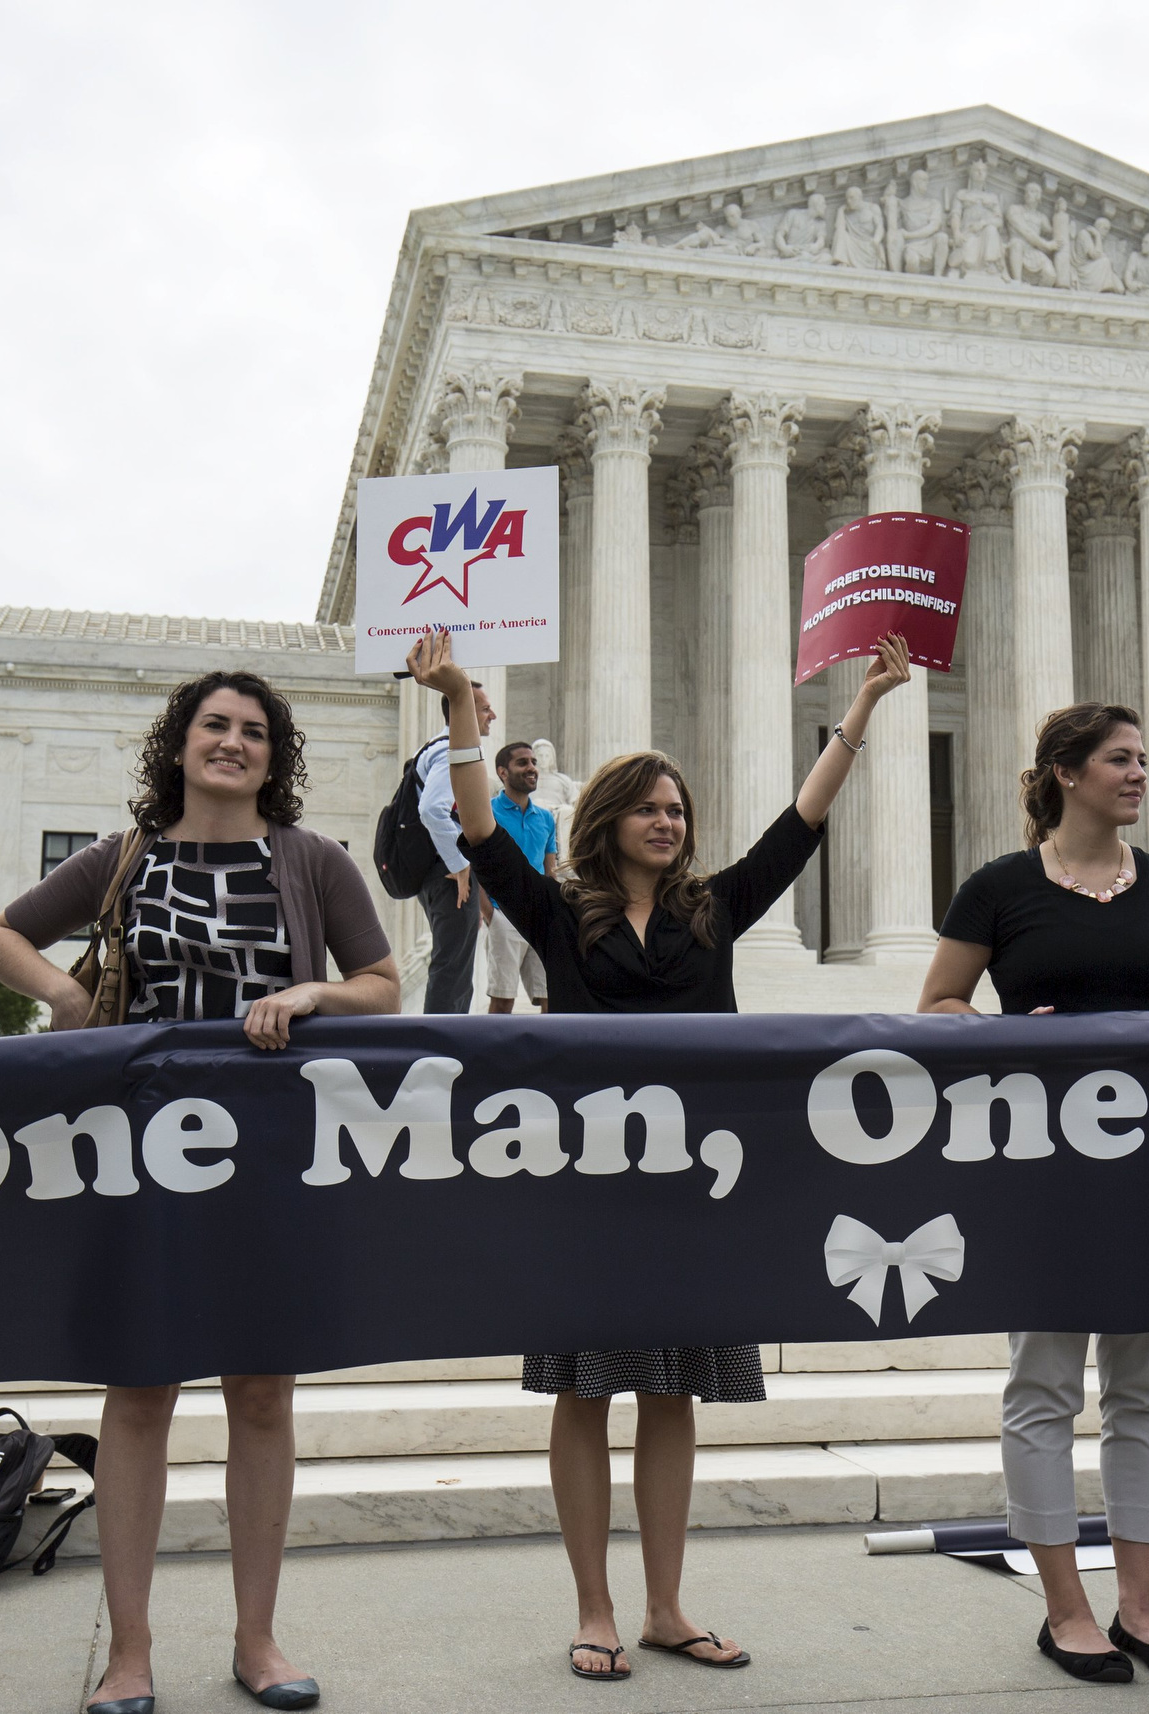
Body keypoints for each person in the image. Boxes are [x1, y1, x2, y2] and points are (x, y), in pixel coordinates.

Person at [407, 625, 908, 1683]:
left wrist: (859, 711)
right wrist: (457, 700)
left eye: (678, 810)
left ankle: (667, 1604)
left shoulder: (714, 912)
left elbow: (801, 824)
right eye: (650, 806)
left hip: (696, 1188)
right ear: (610, 821)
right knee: (584, 1391)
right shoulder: (557, 910)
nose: (669, 822)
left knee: (673, 1393)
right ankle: (594, 1606)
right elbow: (477, 824)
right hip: (587, 1184)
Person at [0, 671, 397, 1714]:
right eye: (215, 724)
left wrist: (313, 992)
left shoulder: (311, 861)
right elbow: (1, 935)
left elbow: (384, 985)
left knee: (262, 1394)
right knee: (140, 1391)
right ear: (180, 742)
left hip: (270, 1155)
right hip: (143, 1155)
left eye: (254, 731)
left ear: (274, 753)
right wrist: (70, 993)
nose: (232, 742)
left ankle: (258, 1641)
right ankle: (130, 1652)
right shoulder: (125, 857)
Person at [917, 702, 1149, 1685]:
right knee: (1045, 1386)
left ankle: (1139, 1605)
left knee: (1143, 1390)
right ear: (1067, 771)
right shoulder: (999, 889)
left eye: (1144, 757)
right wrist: (1011, 1036)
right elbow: (936, 1005)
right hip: (1044, 1165)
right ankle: (1066, 1610)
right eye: (1120, 758)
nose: (1139, 773)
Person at [412, 675, 492, 1013]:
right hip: (449, 872)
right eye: (486, 709)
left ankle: (444, 1038)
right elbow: (431, 810)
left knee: (453, 963)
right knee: (453, 968)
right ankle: (441, 1045)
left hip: (436, 869)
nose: (493, 715)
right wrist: (460, 866)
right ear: (467, 711)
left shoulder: (435, 746)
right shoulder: (450, 750)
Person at [483, 740, 557, 1013]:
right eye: (523, 762)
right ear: (503, 772)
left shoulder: (546, 819)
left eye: (534, 762)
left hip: (540, 914)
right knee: (503, 1000)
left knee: (553, 998)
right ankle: (490, 1057)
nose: (532, 768)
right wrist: (489, 914)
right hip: (503, 914)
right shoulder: (487, 811)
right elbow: (474, 863)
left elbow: (551, 870)